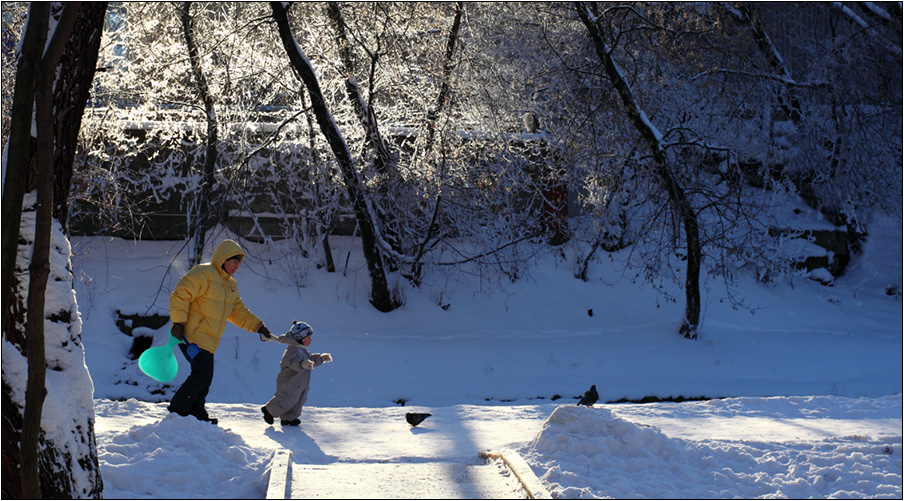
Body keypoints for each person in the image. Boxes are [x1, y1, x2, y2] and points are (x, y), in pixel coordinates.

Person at [167, 239, 272, 425]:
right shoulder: (204, 274)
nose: (236, 266)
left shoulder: (231, 286)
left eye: (239, 263)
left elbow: (238, 312)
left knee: (206, 375)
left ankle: (196, 411)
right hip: (189, 334)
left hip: (208, 339)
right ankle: (178, 407)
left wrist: (258, 326)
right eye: (234, 262)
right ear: (223, 258)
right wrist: (179, 322)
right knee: (202, 371)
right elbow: (180, 294)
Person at [261, 321, 332, 426]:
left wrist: (321, 359)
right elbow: (292, 363)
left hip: (300, 383)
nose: (310, 340)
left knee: (298, 401)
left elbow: (310, 360)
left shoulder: (302, 350)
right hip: (289, 382)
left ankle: (289, 418)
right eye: (308, 338)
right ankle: (269, 411)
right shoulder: (293, 350)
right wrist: (303, 364)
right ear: (300, 338)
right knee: (285, 400)